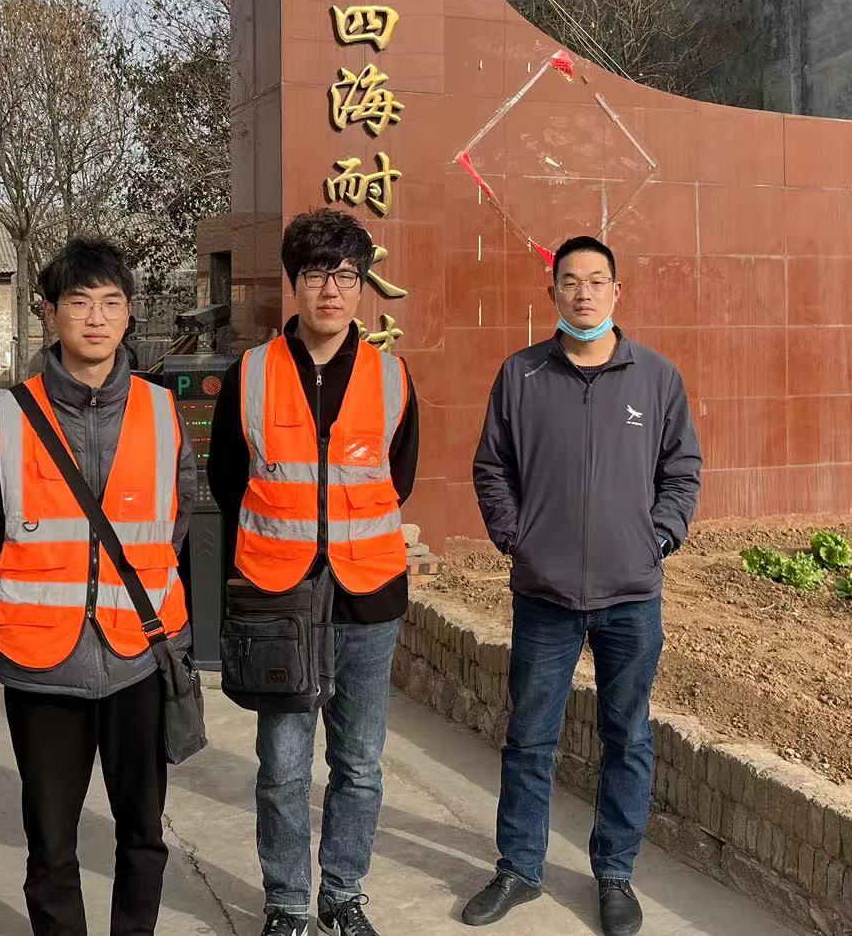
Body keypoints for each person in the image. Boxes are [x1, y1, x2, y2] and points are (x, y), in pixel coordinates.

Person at [0, 237, 196, 936]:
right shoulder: (4, 416)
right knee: (51, 841)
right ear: (50, 312)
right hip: (41, 665)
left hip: (139, 656)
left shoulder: (161, 411)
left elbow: (175, 522)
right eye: (79, 302)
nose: (96, 318)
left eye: (111, 303)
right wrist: (34, 593)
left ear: (129, 314)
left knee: (142, 832)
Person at [462, 235, 702, 936]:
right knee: (530, 736)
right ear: (553, 294)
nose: (584, 292)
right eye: (570, 281)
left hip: (632, 595)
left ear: (616, 292)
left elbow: (682, 470)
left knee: (627, 737)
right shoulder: (522, 374)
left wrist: (658, 538)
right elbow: (492, 467)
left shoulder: (655, 377)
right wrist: (517, 537)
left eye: (597, 280)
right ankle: (518, 868)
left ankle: (615, 874)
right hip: (545, 594)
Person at [208, 209, 420, 936]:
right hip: (279, 595)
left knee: (359, 762)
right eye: (316, 274)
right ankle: (288, 901)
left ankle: (343, 893)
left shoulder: (391, 376)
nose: (331, 290)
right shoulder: (251, 374)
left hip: (369, 595)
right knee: (283, 765)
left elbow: (399, 479)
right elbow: (229, 481)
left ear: (362, 287)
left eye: (346, 276)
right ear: (293, 284)